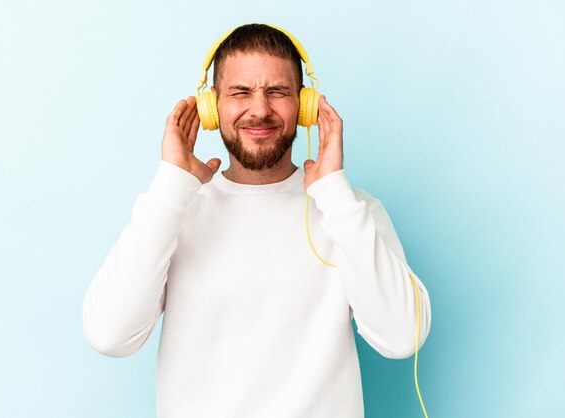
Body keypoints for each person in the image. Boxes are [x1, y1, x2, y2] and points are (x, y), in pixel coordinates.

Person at [83, 23, 431, 418]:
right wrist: (170, 185)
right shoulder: (175, 209)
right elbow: (109, 335)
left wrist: (333, 191)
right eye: (241, 92)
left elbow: (403, 337)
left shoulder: (349, 211)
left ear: (305, 105)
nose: (260, 109)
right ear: (211, 107)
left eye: (277, 92)